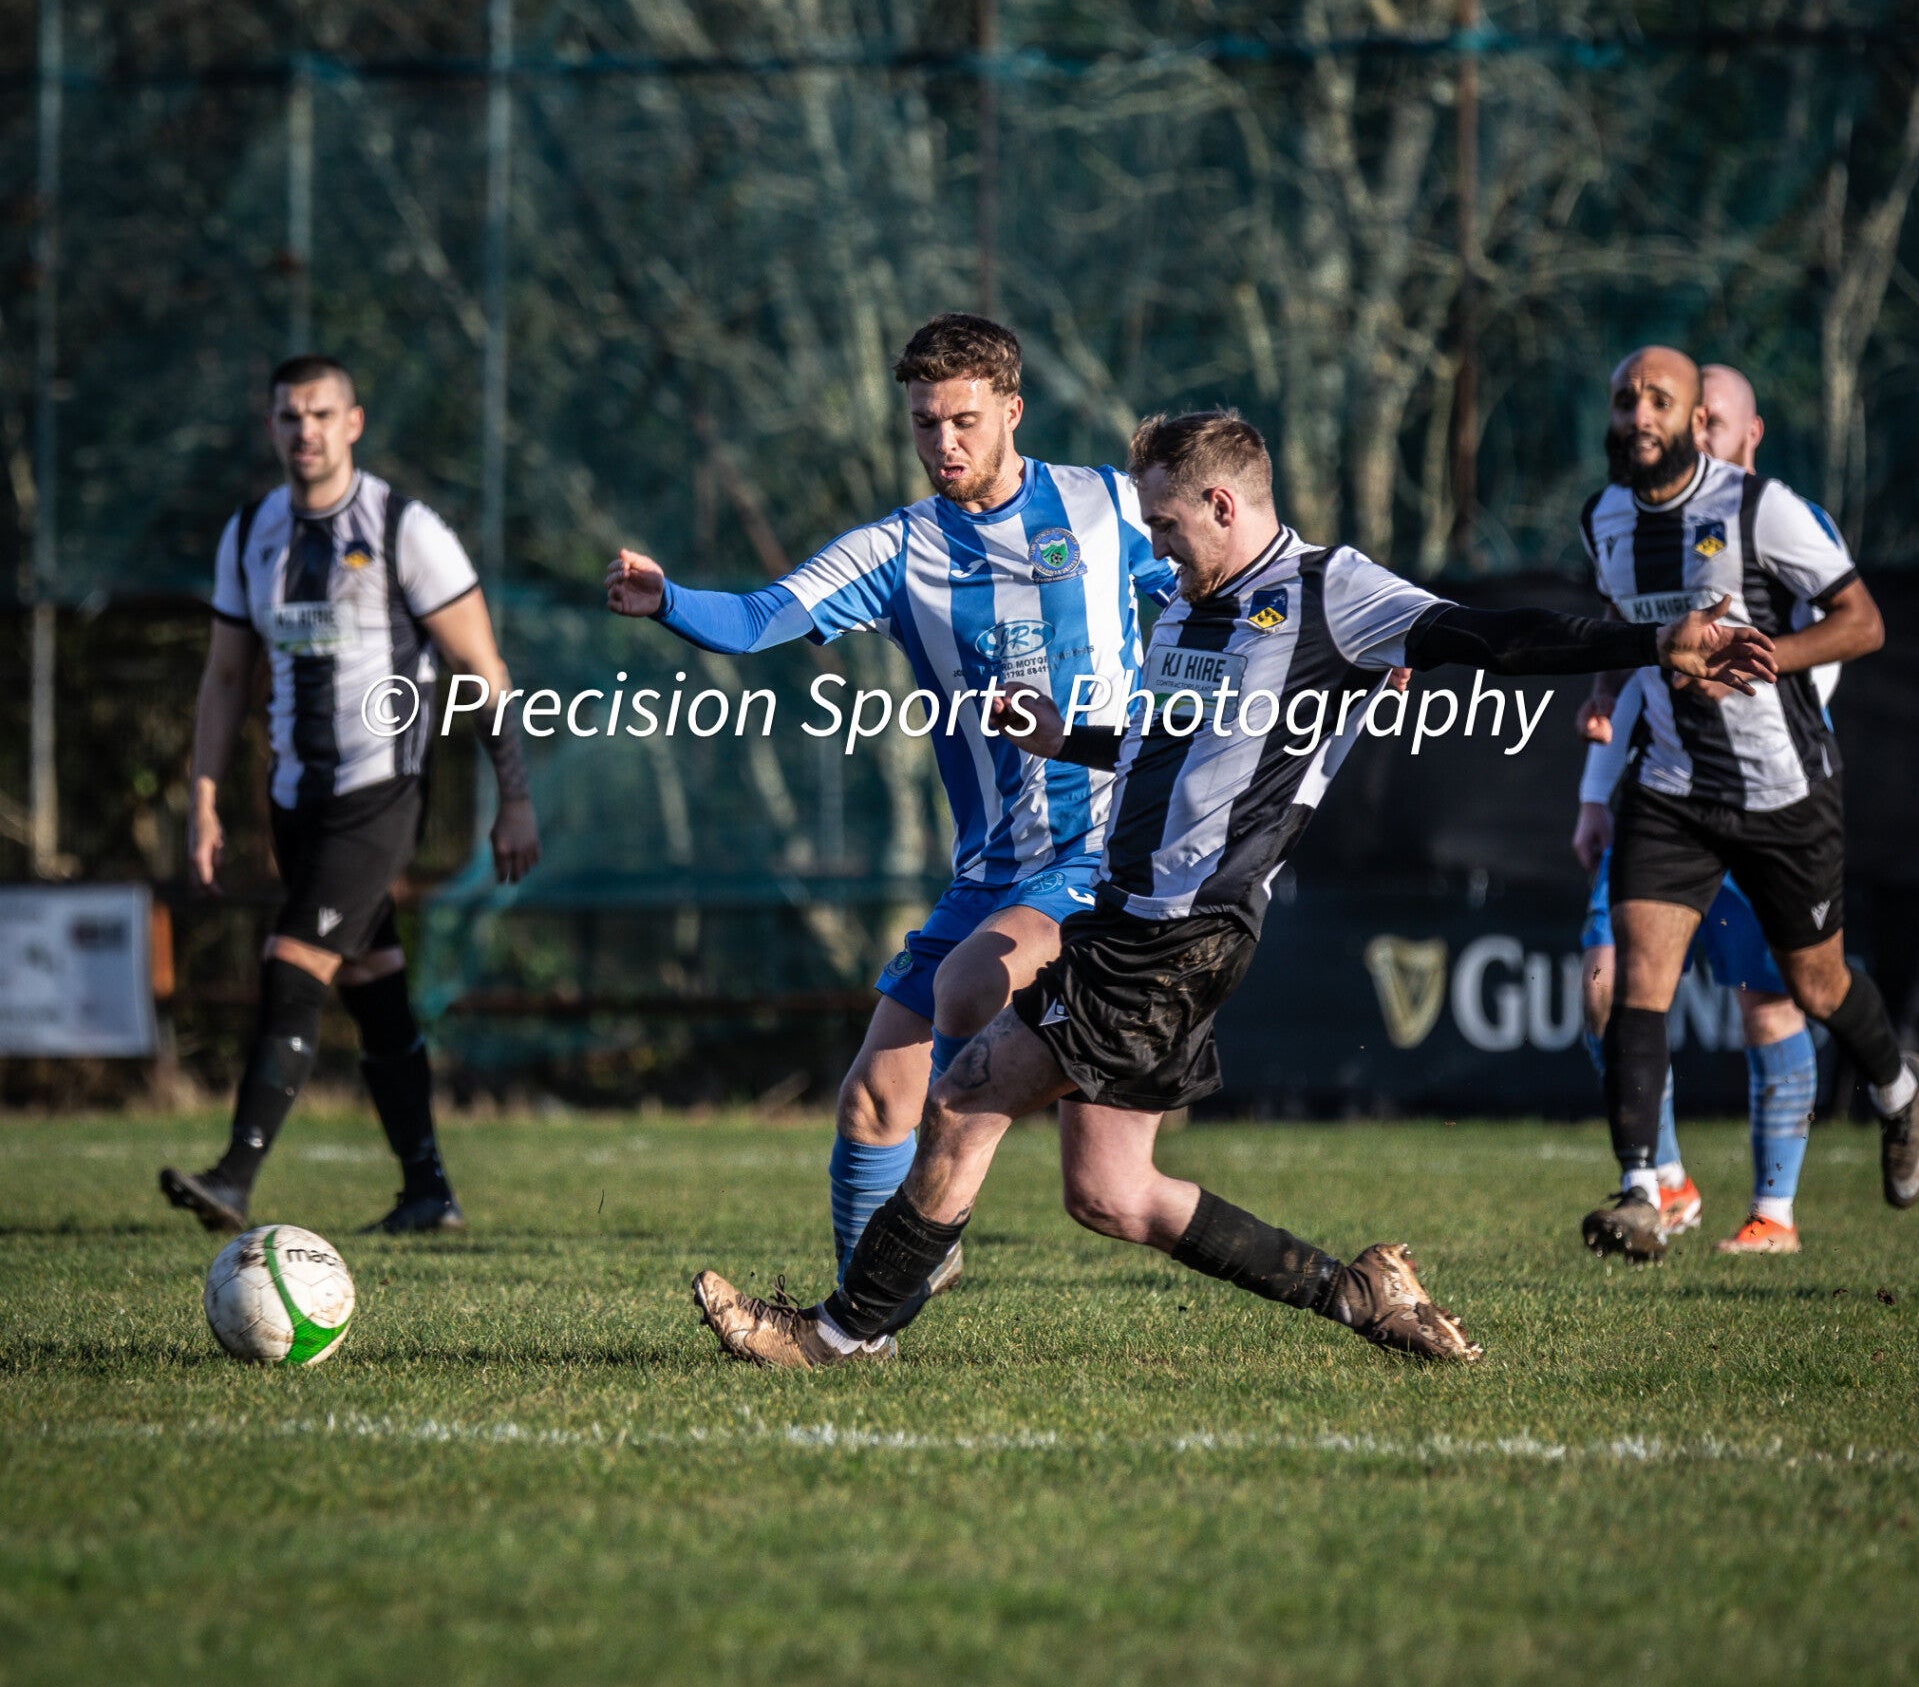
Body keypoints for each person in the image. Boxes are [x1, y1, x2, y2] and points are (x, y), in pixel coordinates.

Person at [687, 409, 1774, 1370]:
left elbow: (1494, 636)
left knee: (966, 1096)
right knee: (1112, 1194)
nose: (1154, 547)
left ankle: (834, 1333)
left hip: (1177, 933)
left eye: (1164, 526)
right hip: (1135, 921)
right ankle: (1356, 1293)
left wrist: (1656, 640)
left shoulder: (1332, 594)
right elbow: (1174, 747)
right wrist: (1071, 735)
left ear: (1218, 502)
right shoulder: (1185, 610)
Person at [605, 313, 1176, 1313]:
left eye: (961, 419)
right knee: (871, 1099)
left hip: (1102, 856)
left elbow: (1219, 570)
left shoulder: (1103, 506)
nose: (942, 443)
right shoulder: (896, 549)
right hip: (990, 870)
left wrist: (1327, 647)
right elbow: (757, 618)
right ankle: (865, 1316)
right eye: (923, 424)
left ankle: (920, 1234)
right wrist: (667, 599)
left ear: (1011, 409)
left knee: (965, 995)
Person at [161, 356, 540, 1235]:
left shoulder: (403, 526)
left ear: (353, 422)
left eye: (322, 414)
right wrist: (205, 799)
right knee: (373, 987)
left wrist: (512, 796)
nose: (307, 432)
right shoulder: (250, 532)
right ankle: (426, 1192)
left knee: (293, 963)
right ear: (272, 428)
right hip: (294, 798)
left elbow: (481, 669)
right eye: (290, 417)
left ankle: (234, 1174)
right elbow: (224, 679)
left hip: (381, 792)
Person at [1575, 346, 1918, 1265]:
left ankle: (1895, 1089)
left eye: (1658, 399)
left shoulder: (1760, 510)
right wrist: (1607, 688)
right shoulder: (1602, 518)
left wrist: (1764, 654)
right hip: (1672, 787)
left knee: (1813, 986)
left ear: (1696, 421)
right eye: (1623, 400)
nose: (1637, 415)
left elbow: (1864, 622)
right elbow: (1625, 627)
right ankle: (1643, 1190)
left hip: (1781, 794)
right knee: (1630, 981)